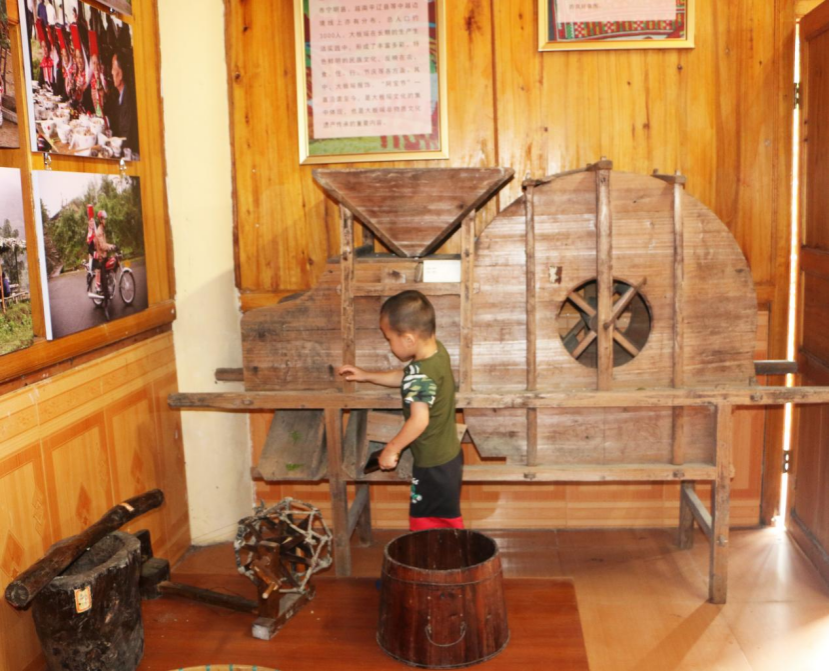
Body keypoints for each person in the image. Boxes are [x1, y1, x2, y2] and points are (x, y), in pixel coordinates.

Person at [337, 290, 465, 532]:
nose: (390, 345)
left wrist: (392, 449)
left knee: (431, 524)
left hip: (433, 465)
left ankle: (440, 556)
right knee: (441, 520)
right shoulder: (436, 352)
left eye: (389, 339)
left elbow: (419, 420)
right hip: (447, 457)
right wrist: (367, 376)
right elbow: (406, 377)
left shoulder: (421, 374)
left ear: (408, 339)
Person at [106, 52, 139, 155]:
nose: (111, 72)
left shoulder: (128, 102)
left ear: (120, 74)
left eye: (113, 67)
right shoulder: (120, 93)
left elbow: (126, 139)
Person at [89, 209, 116, 297]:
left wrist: (112, 246)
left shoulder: (102, 230)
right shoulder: (99, 232)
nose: (105, 220)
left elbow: (105, 244)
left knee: (113, 263)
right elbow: (102, 246)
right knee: (105, 288)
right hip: (101, 259)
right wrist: (111, 246)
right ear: (100, 220)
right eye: (104, 219)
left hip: (104, 256)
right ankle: (105, 297)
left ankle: (110, 283)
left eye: (105, 219)